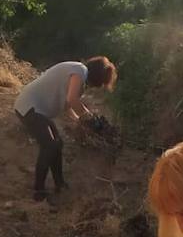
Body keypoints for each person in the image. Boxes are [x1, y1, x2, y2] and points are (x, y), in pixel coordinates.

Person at [12, 57, 117, 201]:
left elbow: (68, 108)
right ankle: (38, 190)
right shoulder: (80, 70)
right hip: (28, 107)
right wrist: (90, 120)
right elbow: (72, 100)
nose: (93, 86)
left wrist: (84, 122)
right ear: (97, 76)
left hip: (37, 110)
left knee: (58, 143)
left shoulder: (77, 74)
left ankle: (59, 184)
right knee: (49, 145)